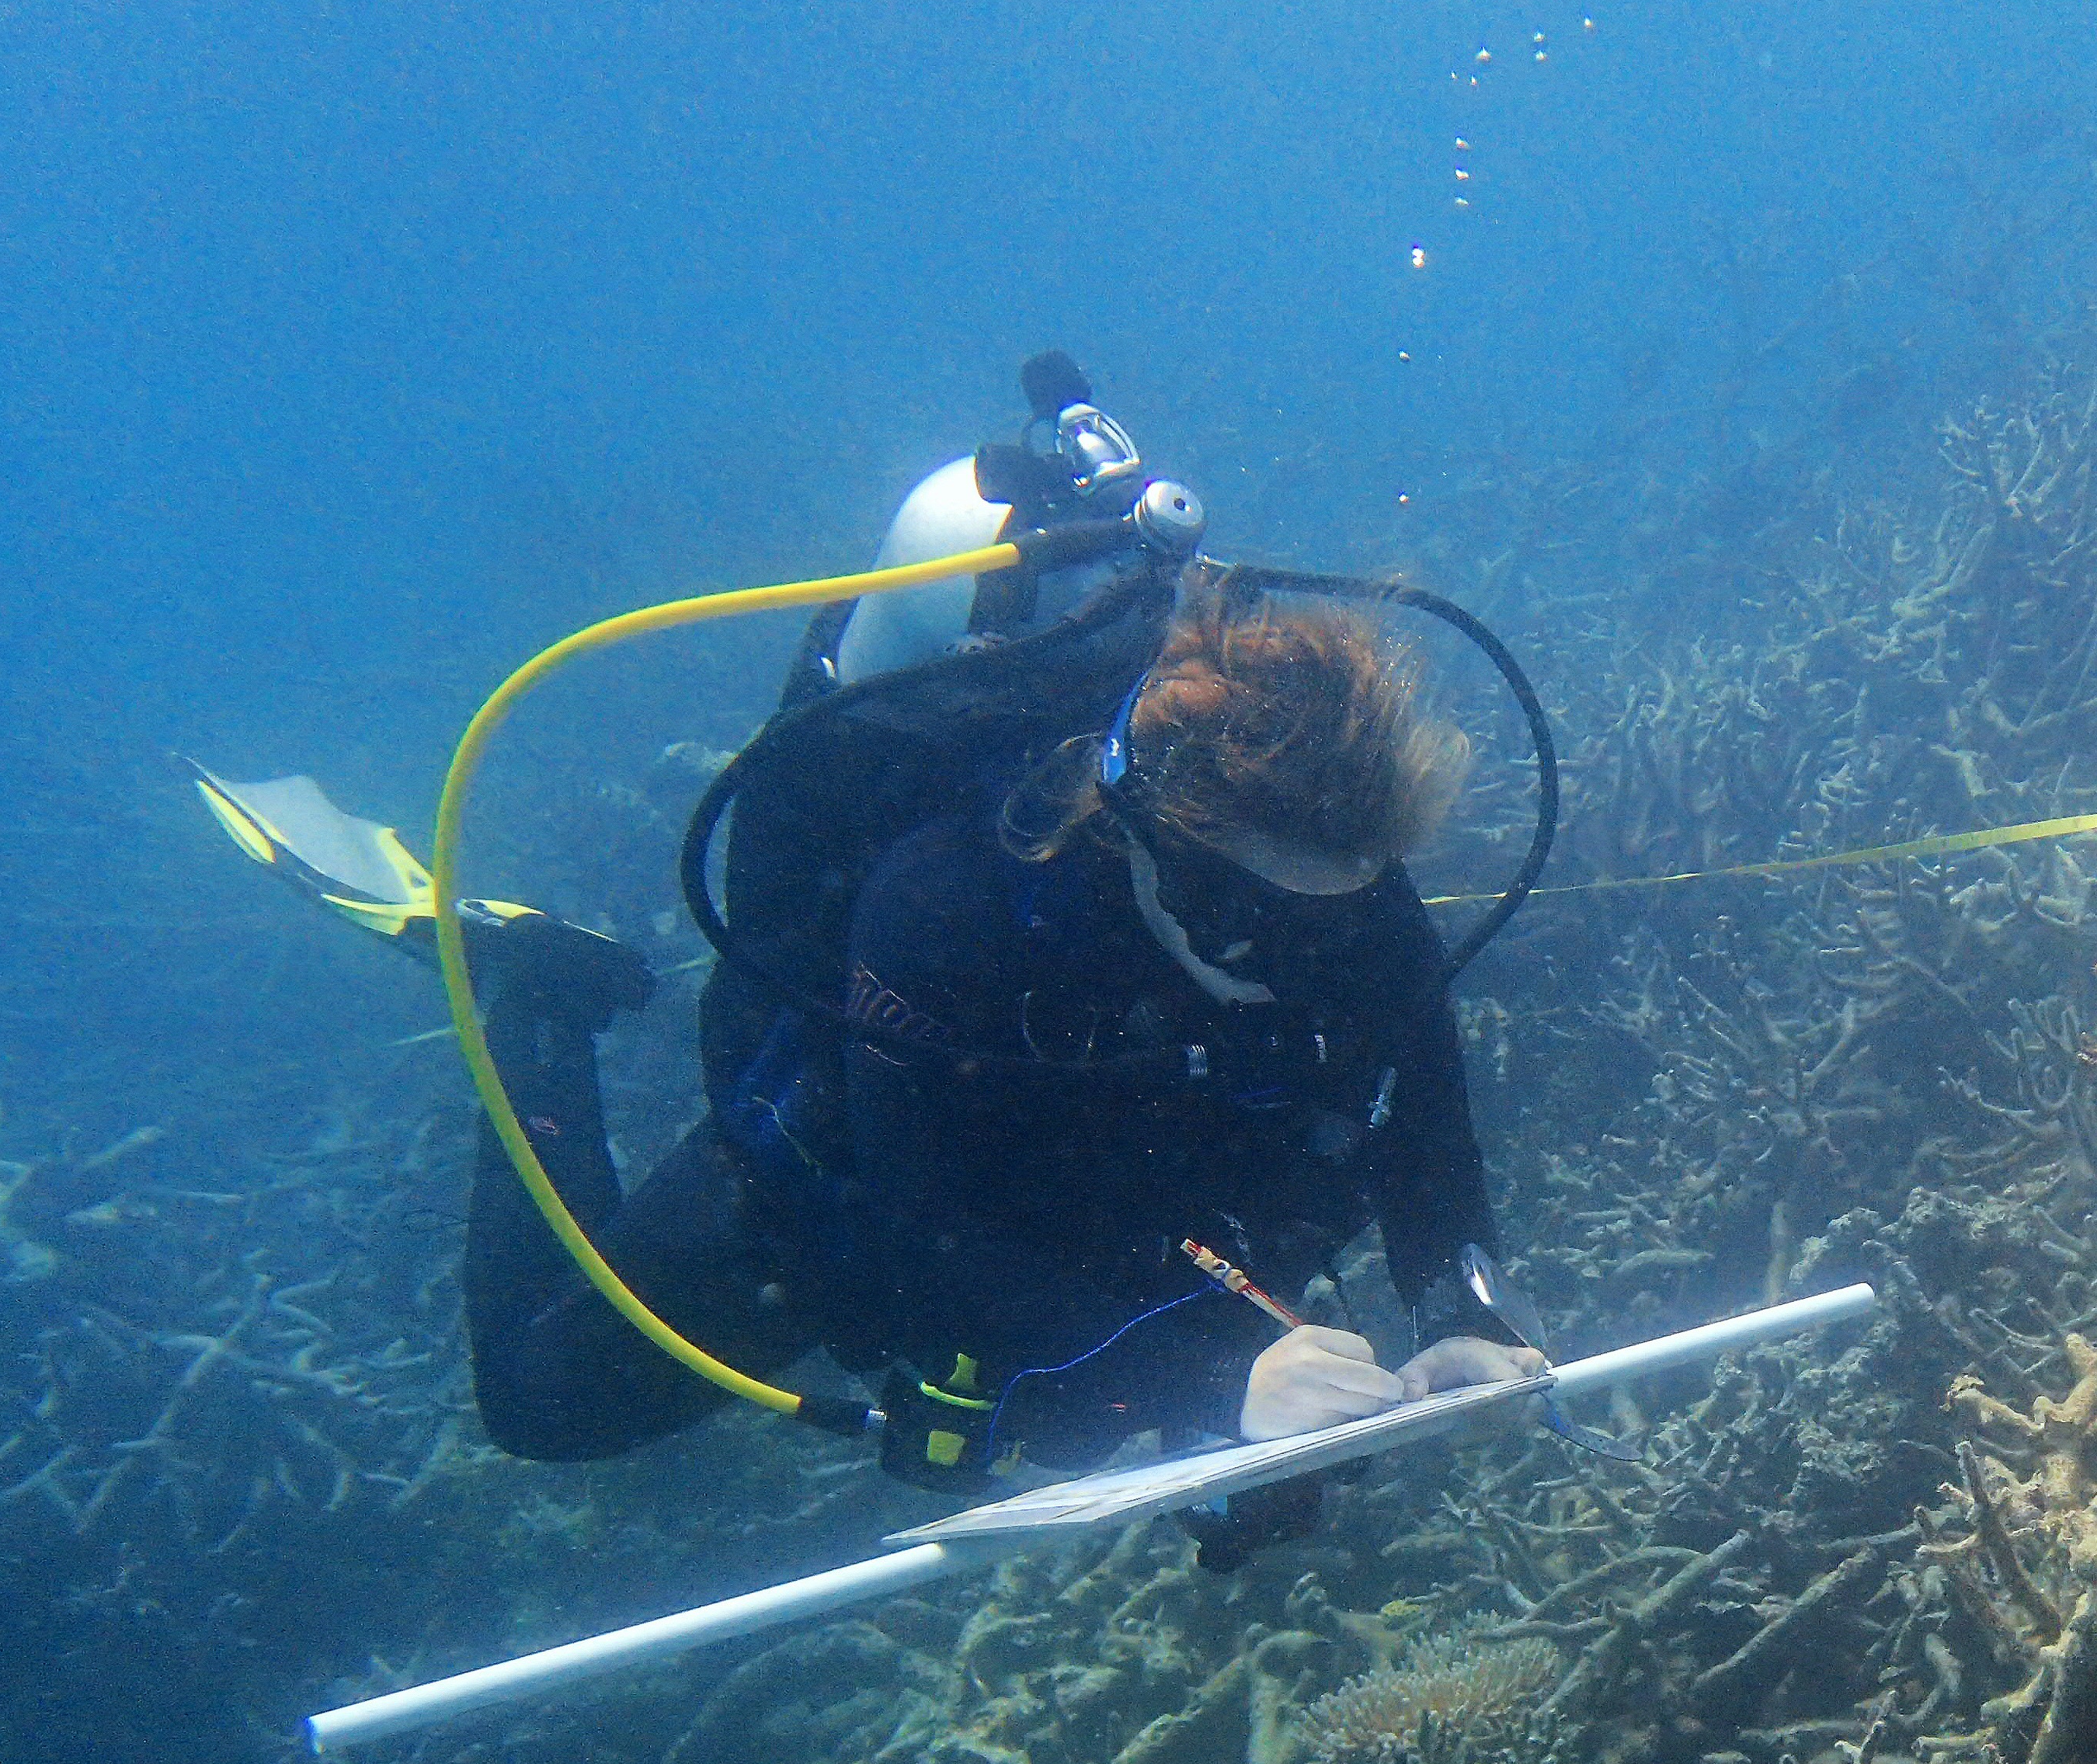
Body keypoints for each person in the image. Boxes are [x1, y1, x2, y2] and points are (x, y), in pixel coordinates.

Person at [458, 579, 1540, 1560]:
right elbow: (915, 1234)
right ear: (1139, 837)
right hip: (874, 1193)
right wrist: (1213, 1378)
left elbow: (1428, 1135)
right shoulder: (947, 902)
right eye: (1241, 912)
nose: (1288, 963)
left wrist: (1462, 1311)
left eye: (1328, 921)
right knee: (538, 1400)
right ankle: (541, 999)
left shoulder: (1360, 910)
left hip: (1144, 1213)